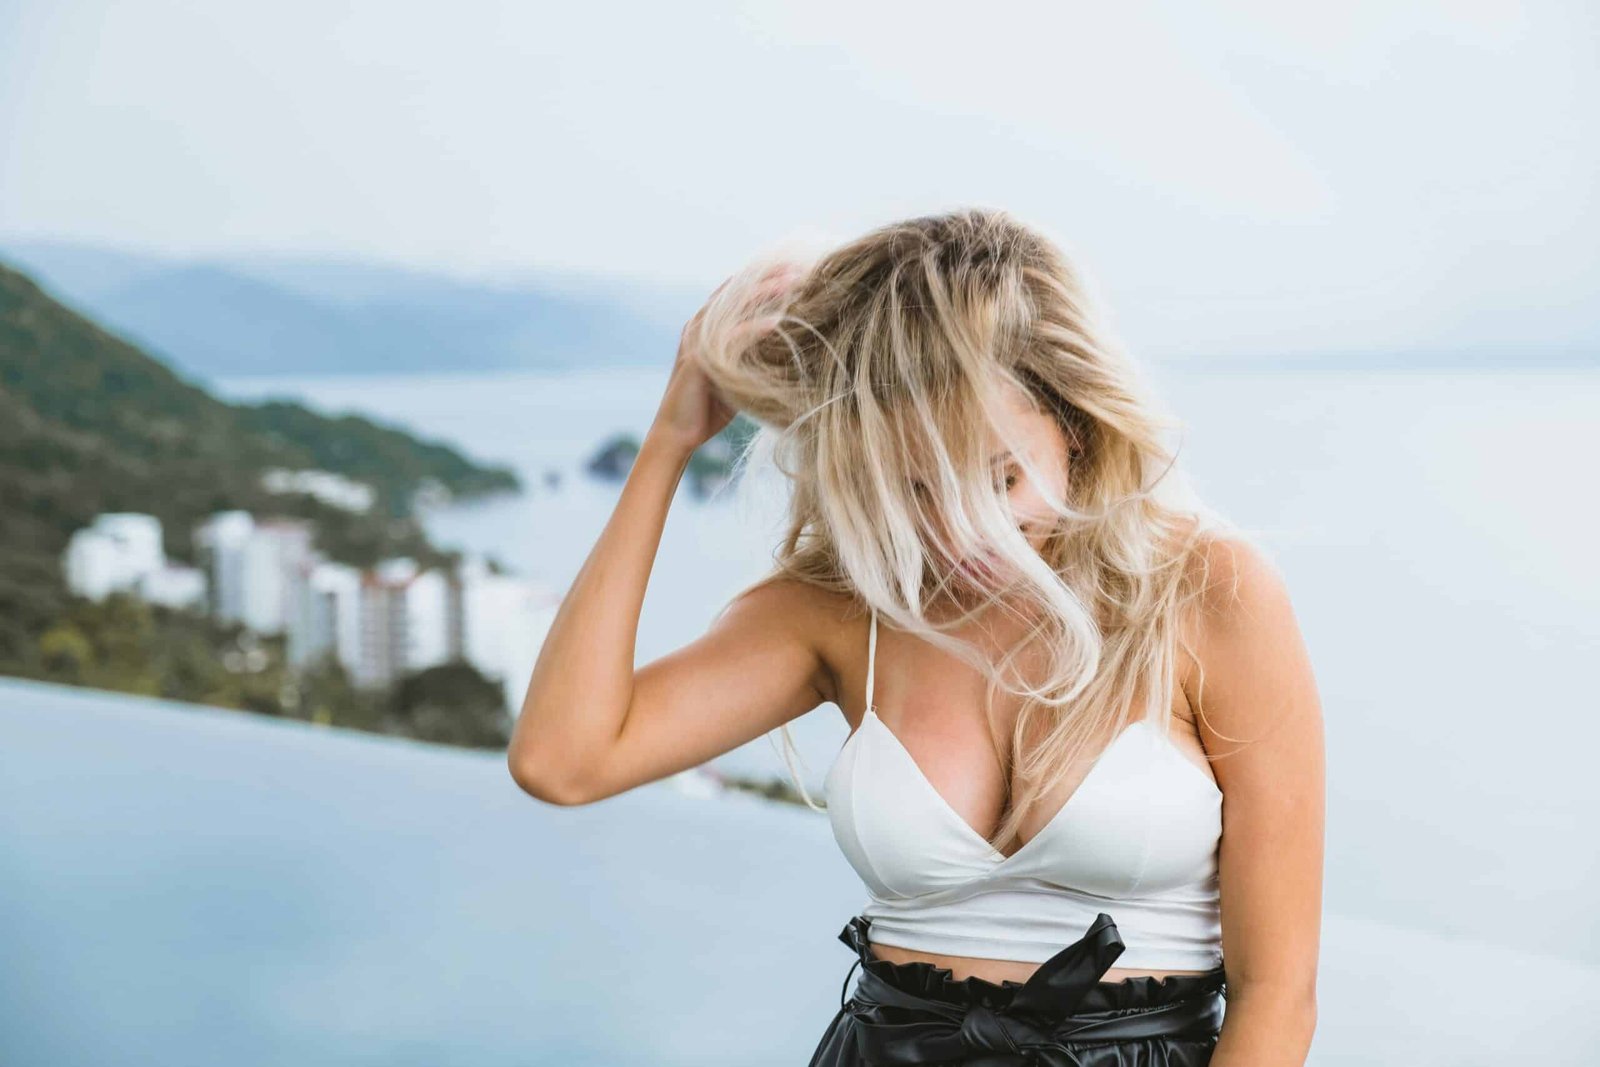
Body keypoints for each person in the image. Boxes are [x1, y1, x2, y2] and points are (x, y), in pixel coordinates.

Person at [508, 208, 1325, 1066]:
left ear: (1075, 427)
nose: (960, 535)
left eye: (1000, 479)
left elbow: (1278, 991)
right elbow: (565, 760)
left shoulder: (1206, 591)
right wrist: (668, 445)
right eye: (914, 490)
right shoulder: (843, 609)